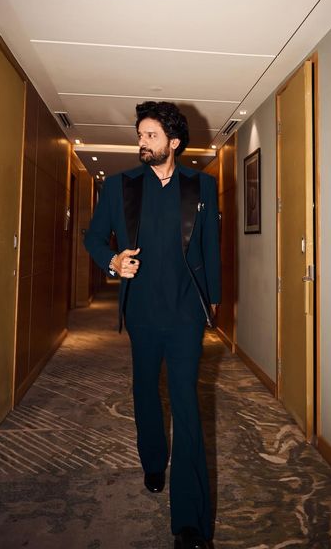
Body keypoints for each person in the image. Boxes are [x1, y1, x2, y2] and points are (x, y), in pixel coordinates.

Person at [84, 101, 221, 549]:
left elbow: (210, 246)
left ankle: (190, 523)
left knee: (186, 406)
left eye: (150, 135)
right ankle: (153, 460)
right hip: (141, 314)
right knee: (145, 391)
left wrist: (213, 301)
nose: (141, 142)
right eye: (140, 134)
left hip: (185, 314)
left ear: (173, 142)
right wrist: (112, 261)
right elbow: (92, 236)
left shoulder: (201, 185)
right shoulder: (119, 186)